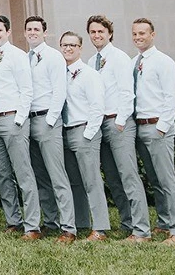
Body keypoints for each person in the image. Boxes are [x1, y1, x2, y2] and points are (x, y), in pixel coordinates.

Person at [87, 15, 151, 242]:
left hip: (118, 123)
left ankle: (142, 231)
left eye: (101, 32)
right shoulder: (90, 62)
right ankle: (127, 223)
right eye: (93, 32)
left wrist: (121, 121)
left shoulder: (119, 58)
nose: (97, 35)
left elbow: (127, 93)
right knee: (113, 178)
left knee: (129, 176)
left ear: (109, 34)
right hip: (99, 125)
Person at [0, 15, 40, 239]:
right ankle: (12, 220)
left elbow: (27, 89)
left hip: (12, 120)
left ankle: (32, 225)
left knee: (23, 173)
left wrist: (19, 119)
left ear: (8, 32)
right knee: (2, 174)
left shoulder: (18, 56)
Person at [132, 18, 175, 246]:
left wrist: (162, 127)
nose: (138, 37)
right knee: (154, 180)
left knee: (167, 180)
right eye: (135, 33)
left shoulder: (164, 62)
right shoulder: (134, 61)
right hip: (140, 126)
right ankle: (164, 223)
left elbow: (171, 97)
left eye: (142, 33)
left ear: (153, 34)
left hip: (157, 127)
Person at [24, 16, 76, 243]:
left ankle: (69, 228)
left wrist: (51, 120)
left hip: (47, 121)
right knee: (40, 177)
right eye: (29, 29)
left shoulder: (54, 57)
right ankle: (51, 222)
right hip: (29, 121)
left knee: (57, 176)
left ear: (44, 33)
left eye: (36, 29)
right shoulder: (24, 58)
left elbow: (60, 91)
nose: (32, 32)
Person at [59, 31, 110, 241]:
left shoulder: (89, 74)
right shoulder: (59, 73)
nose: (68, 48)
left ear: (80, 48)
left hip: (83, 130)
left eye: (72, 45)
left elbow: (98, 107)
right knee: (75, 182)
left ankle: (100, 228)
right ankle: (81, 223)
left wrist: (88, 134)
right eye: (64, 45)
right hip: (65, 131)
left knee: (91, 181)